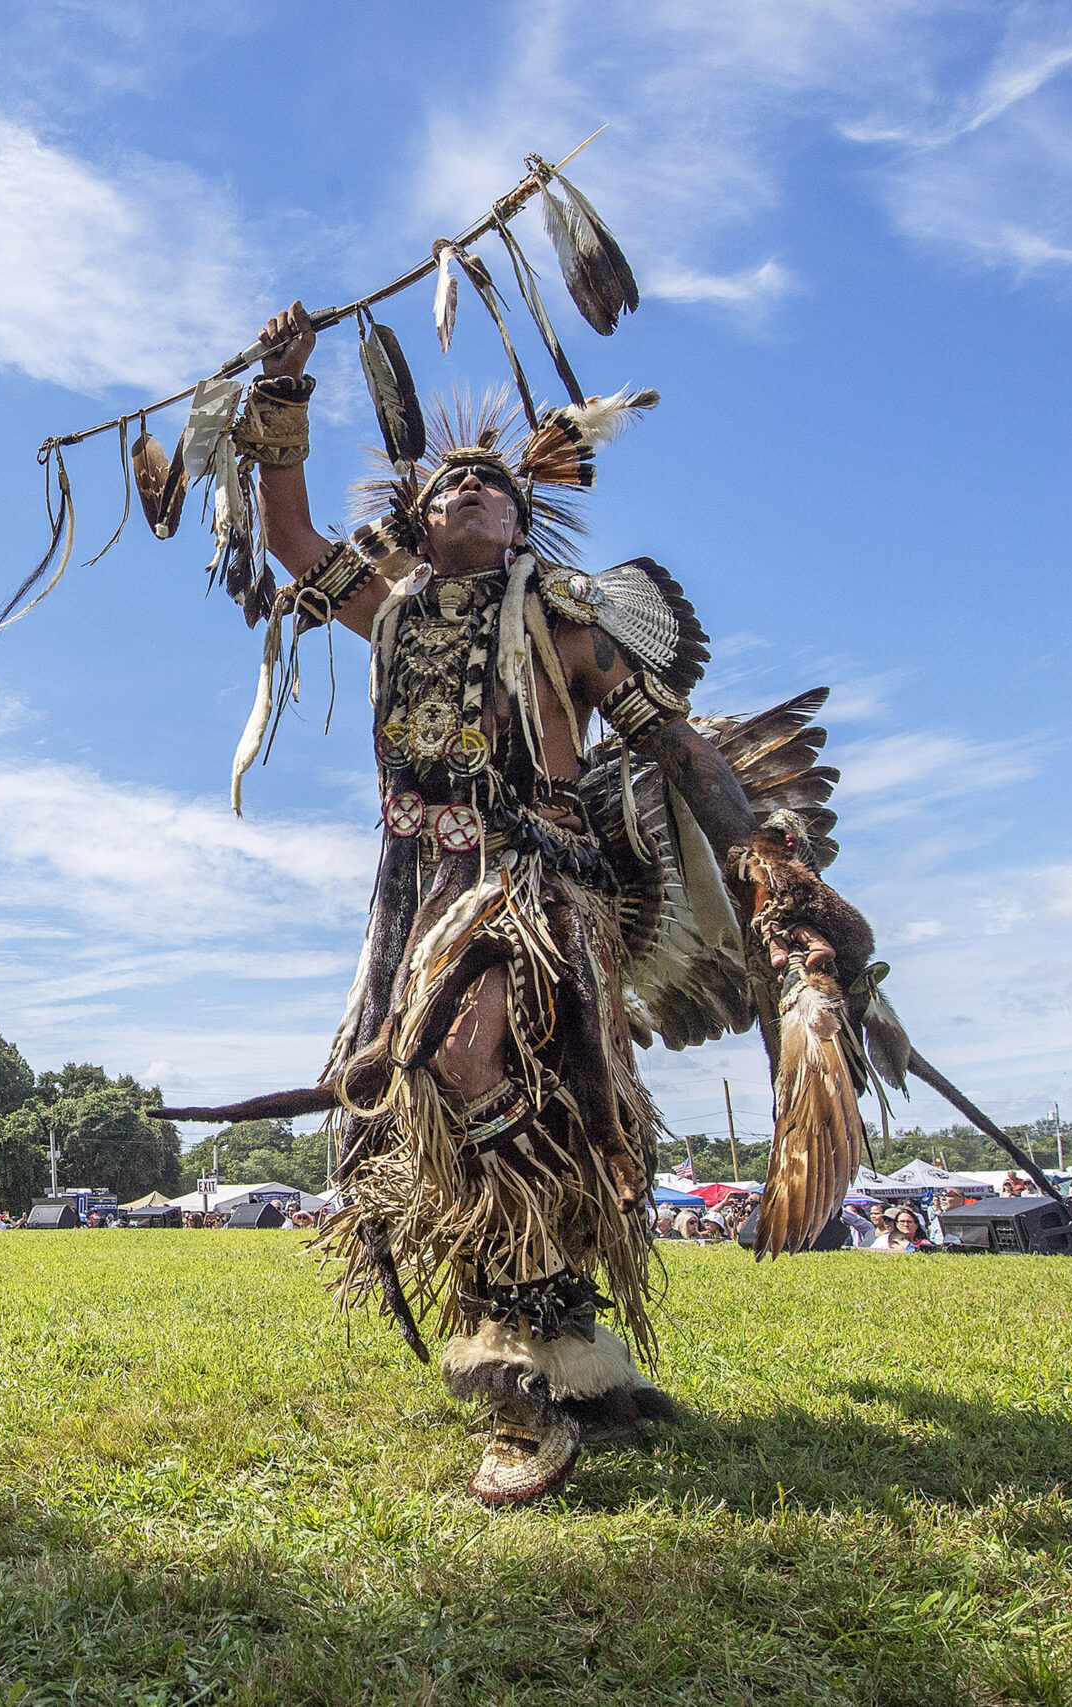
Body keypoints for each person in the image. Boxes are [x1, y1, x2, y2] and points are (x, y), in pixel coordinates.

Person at [223, 301, 881, 1505]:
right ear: (418, 521)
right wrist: (285, 390)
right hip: (422, 884)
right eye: (450, 486)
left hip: (540, 879)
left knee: (476, 1067)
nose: (473, 489)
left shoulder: (570, 626)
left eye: (494, 485)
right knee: (492, 1091)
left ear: (522, 516)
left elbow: (678, 751)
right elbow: (287, 530)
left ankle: (526, 1361)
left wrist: (768, 870)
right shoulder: (390, 614)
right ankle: (562, 1350)